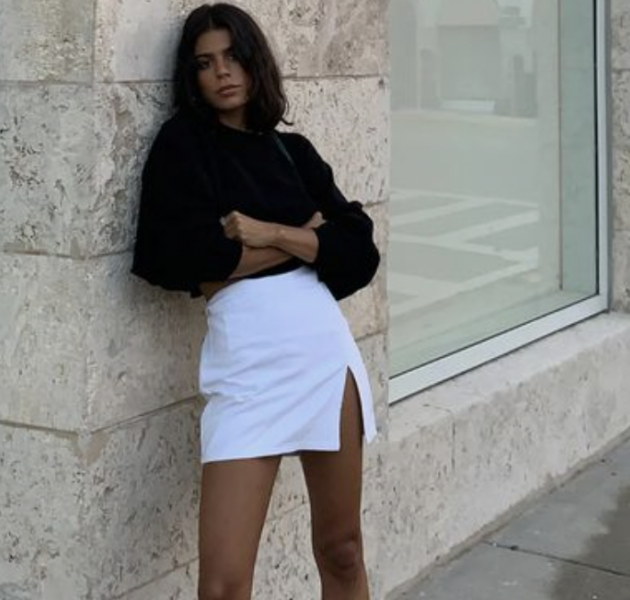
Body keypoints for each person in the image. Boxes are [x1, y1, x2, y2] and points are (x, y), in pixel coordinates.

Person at [131, 4, 380, 599]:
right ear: (190, 76)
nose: (222, 72)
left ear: (255, 61)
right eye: (204, 63)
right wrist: (307, 239)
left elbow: (360, 251)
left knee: (342, 550)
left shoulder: (293, 151)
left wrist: (266, 235)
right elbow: (177, 258)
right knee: (222, 586)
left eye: (234, 57)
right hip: (246, 372)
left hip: (323, 359)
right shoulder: (184, 146)